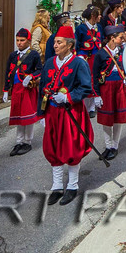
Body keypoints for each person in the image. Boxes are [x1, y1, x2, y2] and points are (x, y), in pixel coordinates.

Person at [41, 26, 94, 205]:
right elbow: (43, 87)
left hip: (71, 112)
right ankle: (56, 186)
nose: (55, 45)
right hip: (53, 112)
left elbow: (86, 87)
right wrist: (42, 112)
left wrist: (68, 96)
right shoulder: (49, 62)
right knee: (53, 148)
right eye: (55, 42)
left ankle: (72, 186)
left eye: (59, 42)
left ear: (69, 45)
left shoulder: (79, 63)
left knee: (71, 148)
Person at [95, 28, 126, 161]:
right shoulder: (101, 54)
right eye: (120, 37)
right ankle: (107, 146)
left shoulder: (122, 51)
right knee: (107, 120)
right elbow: (94, 76)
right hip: (106, 89)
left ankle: (114, 147)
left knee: (118, 119)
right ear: (112, 37)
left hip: (119, 87)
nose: (122, 40)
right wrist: (96, 95)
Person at [5, 28, 43, 156]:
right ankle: (18, 141)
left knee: (27, 117)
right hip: (16, 89)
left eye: (22, 40)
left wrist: (31, 76)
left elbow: (39, 70)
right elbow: (8, 73)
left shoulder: (33, 55)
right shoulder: (12, 55)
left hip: (28, 89)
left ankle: (28, 141)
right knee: (18, 116)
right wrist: (6, 90)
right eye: (17, 40)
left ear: (29, 41)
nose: (19, 43)